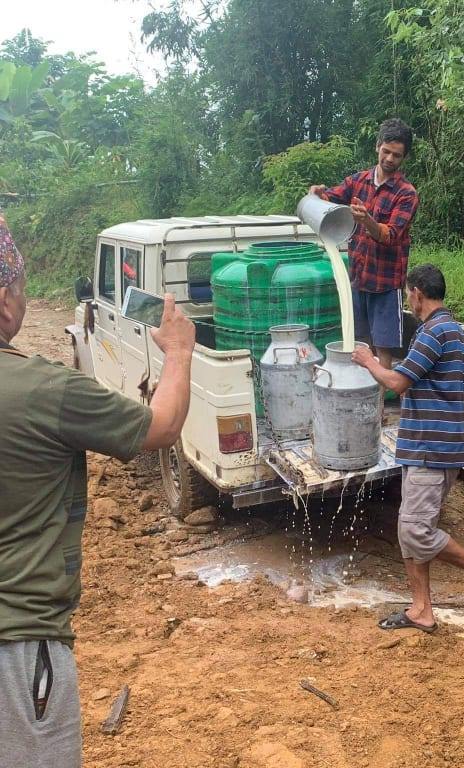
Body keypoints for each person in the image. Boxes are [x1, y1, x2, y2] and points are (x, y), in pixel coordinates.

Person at [0, 214, 196, 768]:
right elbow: (159, 428)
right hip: (19, 644)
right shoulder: (44, 390)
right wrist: (179, 353)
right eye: (20, 286)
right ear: (4, 297)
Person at [352, 263, 464, 632]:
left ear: (417, 293)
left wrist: (368, 361)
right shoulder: (454, 332)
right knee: (412, 526)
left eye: (407, 294)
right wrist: (451, 426)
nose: (407, 300)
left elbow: (397, 383)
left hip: (428, 450)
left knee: (416, 531)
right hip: (439, 447)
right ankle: (421, 608)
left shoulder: (432, 333)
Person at [310, 118, 419, 370]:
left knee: (384, 347)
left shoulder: (406, 194)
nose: (390, 159)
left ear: (404, 158)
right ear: (377, 146)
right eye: (386, 151)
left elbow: (390, 235)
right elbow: (330, 198)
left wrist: (367, 220)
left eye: (397, 155)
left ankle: (379, 402)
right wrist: (317, 194)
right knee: (360, 342)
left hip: (385, 284)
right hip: (358, 276)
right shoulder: (358, 181)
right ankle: (360, 393)